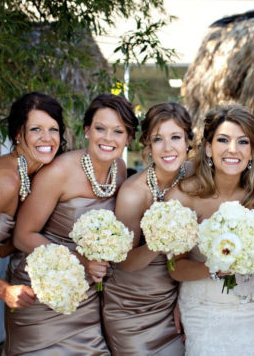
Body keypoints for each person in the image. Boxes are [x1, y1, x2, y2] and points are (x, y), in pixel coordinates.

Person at [5, 93, 138, 355]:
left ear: (128, 138)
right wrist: (80, 258)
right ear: (87, 130)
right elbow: (22, 236)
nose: (108, 138)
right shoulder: (59, 172)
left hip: (87, 293)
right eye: (100, 128)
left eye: (117, 131)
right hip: (44, 290)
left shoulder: (120, 169)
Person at [167, 103, 254, 356]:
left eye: (242, 142)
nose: (232, 150)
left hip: (253, 306)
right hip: (202, 308)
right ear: (208, 148)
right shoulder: (183, 197)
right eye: (223, 140)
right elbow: (175, 268)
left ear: (251, 150)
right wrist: (214, 267)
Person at [102, 102, 193, 355]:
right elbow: (123, 262)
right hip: (132, 306)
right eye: (158, 139)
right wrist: (157, 242)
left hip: (173, 298)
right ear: (148, 147)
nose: (168, 148)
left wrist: (184, 299)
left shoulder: (195, 178)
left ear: (188, 142)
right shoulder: (133, 194)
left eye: (175, 137)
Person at [0, 92, 65, 311]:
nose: (47, 138)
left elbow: (3, 250)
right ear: (19, 133)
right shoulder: (6, 181)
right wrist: (4, 290)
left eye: (53, 129)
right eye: (36, 129)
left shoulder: (29, 176)